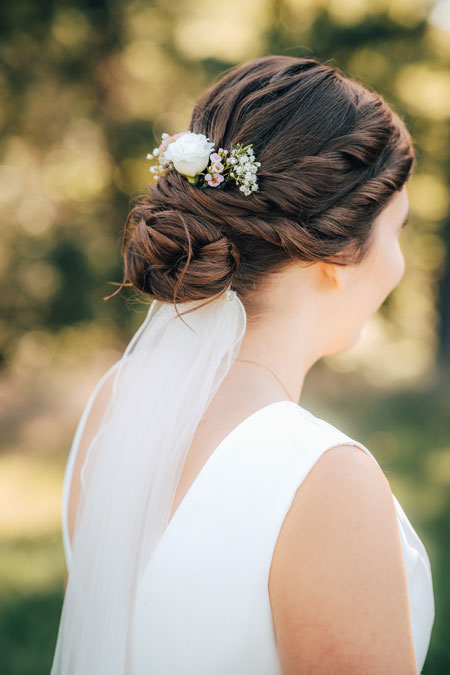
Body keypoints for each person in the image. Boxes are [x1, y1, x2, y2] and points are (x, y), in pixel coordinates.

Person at [51, 55, 434, 674]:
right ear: (337, 252)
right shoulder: (327, 480)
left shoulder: (117, 404)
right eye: (399, 230)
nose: (399, 263)